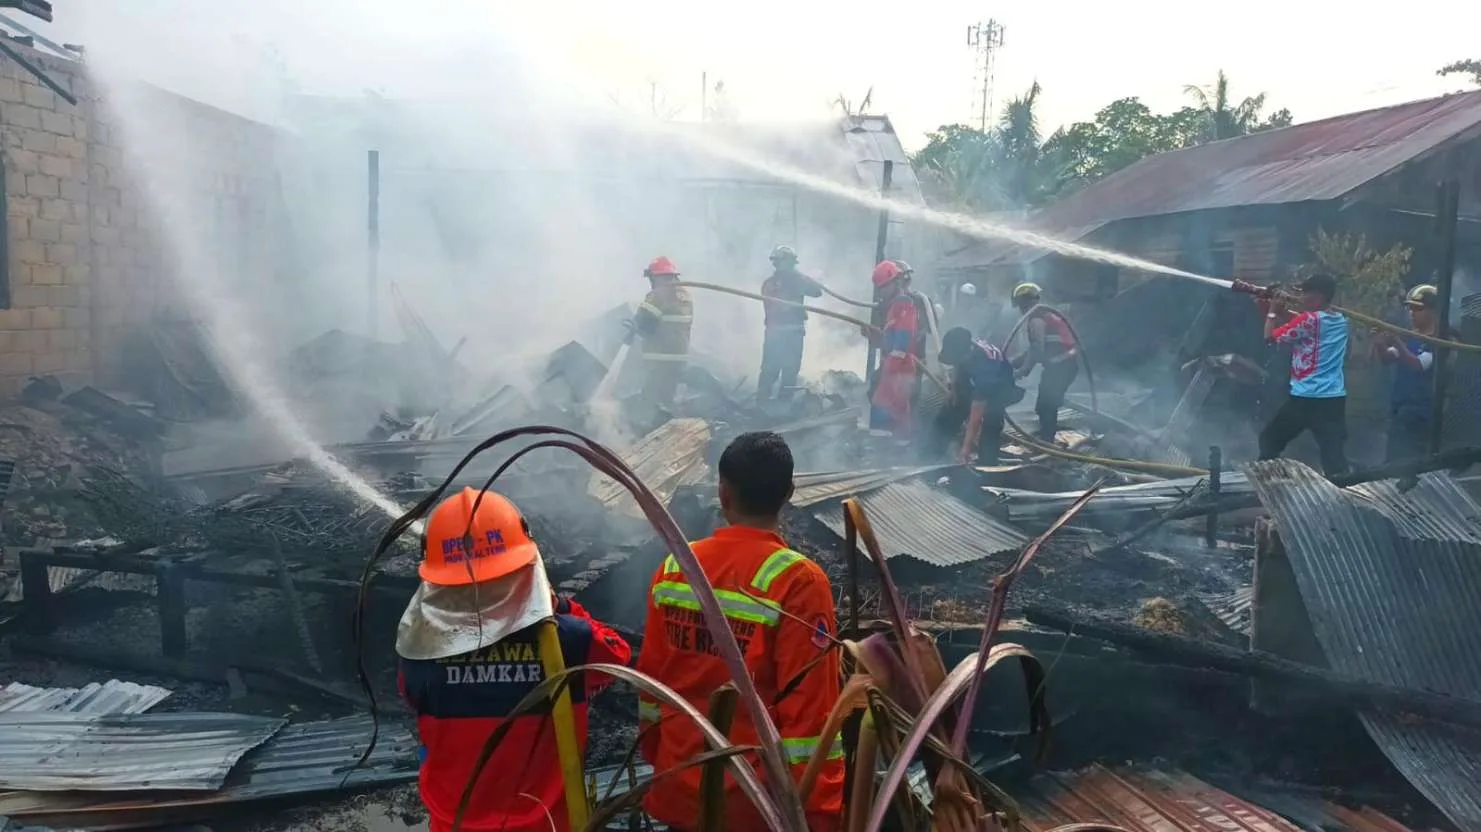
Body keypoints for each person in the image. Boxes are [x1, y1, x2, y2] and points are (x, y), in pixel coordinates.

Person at [636, 432, 843, 832]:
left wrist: (664, 763)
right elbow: (809, 718)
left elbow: (651, 688)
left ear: (723, 493)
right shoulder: (798, 581)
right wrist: (819, 815)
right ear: (789, 494)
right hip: (756, 808)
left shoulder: (676, 567)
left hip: (677, 792)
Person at [398, 487, 632, 832]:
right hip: (547, 822)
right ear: (525, 564)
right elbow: (618, 655)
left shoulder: (419, 647)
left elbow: (411, 696)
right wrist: (559, 605)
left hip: (454, 822)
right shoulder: (567, 639)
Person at [1258, 273, 1350, 475]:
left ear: (1318, 297)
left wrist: (1272, 312)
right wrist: (1280, 310)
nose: (1300, 297)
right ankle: (1343, 486)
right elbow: (1302, 325)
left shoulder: (1309, 320)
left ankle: (1267, 480)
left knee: (1269, 440)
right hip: (1333, 400)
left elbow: (1269, 338)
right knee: (1334, 458)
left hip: (1305, 399)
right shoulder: (1341, 321)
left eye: (1305, 293)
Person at [1375, 283, 1446, 462]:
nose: (1412, 313)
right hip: (1400, 407)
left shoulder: (1441, 339)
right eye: (1410, 309)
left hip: (1422, 411)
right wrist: (1381, 343)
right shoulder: (1410, 336)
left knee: (1414, 460)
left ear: (1433, 311)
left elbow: (1418, 364)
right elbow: (1389, 358)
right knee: (1393, 459)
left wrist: (1396, 340)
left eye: (1418, 309)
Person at [936, 327, 1021, 464]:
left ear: (966, 354)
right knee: (950, 411)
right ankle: (932, 453)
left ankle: (987, 463)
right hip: (975, 375)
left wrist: (966, 448)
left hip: (1000, 388)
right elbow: (958, 364)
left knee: (991, 421)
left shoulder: (985, 368)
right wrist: (954, 391)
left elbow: (976, 415)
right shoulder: (964, 347)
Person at [1008, 282, 1079, 442]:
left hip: (1061, 367)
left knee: (1046, 406)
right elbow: (1034, 348)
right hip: (1064, 365)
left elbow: (1037, 349)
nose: (1020, 310)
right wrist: (1013, 362)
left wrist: (1023, 370)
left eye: (1020, 306)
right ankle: (1047, 438)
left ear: (1024, 303)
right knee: (1046, 404)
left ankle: (1047, 442)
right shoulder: (1047, 315)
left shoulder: (1036, 320)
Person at [624, 256, 694, 411]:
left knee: (650, 403)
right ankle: (671, 422)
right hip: (678, 360)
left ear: (657, 277)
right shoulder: (685, 296)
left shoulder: (658, 295)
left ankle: (649, 425)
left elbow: (645, 325)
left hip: (658, 361)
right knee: (666, 400)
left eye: (652, 278)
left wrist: (634, 326)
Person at [758, 245, 823, 403]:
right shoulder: (770, 284)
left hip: (793, 332)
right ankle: (762, 402)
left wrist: (803, 278)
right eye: (787, 262)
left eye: (791, 263)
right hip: (776, 333)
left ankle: (784, 404)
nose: (790, 266)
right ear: (777, 263)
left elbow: (817, 292)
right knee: (770, 370)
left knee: (790, 371)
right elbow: (776, 306)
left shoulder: (798, 281)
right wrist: (796, 282)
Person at [869, 260, 920, 439]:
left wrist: (890, 365)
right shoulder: (892, 305)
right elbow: (889, 338)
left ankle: (878, 443)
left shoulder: (903, 303)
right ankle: (901, 444)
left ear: (895, 282)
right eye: (880, 288)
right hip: (898, 364)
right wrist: (873, 336)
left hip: (899, 365)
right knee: (899, 408)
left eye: (885, 286)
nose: (882, 291)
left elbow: (903, 337)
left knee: (881, 402)